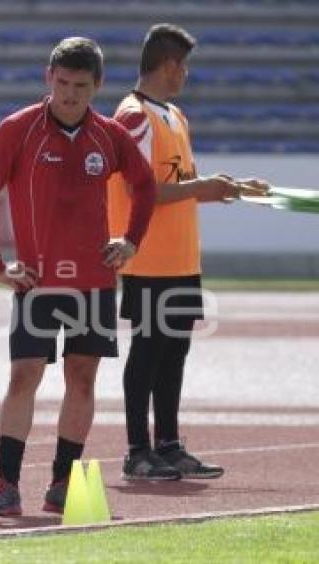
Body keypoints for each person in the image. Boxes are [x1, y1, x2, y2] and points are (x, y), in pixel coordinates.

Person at [0, 37, 157, 516]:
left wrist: (131, 239)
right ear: (48, 77)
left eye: (81, 86)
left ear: (98, 86)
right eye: (63, 82)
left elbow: (145, 184)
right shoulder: (17, 130)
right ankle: (5, 483)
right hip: (36, 282)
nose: (70, 94)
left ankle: (61, 484)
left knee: (83, 378)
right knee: (24, 376)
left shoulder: (110, 135)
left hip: (93, 282)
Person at [107, 24, 268, 481]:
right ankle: (138, 450)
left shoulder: (174, 116)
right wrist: (205, 187)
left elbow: (180, 183)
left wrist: (232, 188)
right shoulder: (134, 116)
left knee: (174, 351)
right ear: (167, 65)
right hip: (149, 257)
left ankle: (169, 445)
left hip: (179, 257)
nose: (186, 74)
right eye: (183, 65)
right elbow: (145, 191)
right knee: (148, 350)